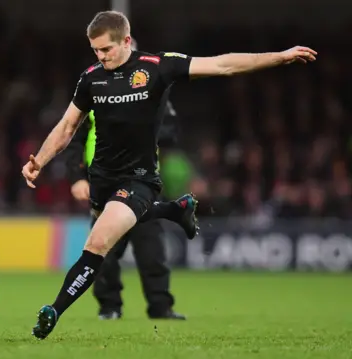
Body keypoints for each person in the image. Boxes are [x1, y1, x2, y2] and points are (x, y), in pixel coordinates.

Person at [21, 10, 317, 340]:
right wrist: (39, 161)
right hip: (101, 179)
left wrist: (280, 57)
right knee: (115, 225)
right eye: (95, 50)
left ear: (126, 41)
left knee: (98, 242)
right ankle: (176, 210)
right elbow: (67, 127)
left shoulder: (157, 66)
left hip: (139, 178)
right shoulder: (91, 78)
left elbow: (222, 64)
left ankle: (53, 311)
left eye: (106, 49)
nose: (100, 56)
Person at [65, 87, 186, 321]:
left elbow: (171, 131)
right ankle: (109, 308)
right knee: (103, 250)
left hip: (144, 183)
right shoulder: (93, 93)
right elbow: (73, 141)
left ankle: (160, 307)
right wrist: (77, 178)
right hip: (105, 184)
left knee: (152, 251)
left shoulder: (153, 95)